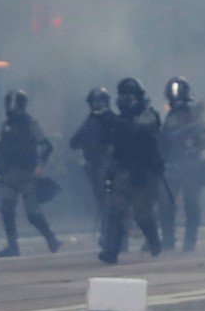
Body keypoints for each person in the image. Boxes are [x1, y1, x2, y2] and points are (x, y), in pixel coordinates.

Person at [99, 77, 164, 264]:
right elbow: (112, 146)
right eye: (122, 95)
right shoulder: (119, 120)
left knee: (141, 214)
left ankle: (153, 240)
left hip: (144, 171)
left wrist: (113, 121)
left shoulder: (149, 114)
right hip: (123, 169)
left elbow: (136, 130)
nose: (124, 99)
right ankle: (111, 252)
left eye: (128, 94)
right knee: (115, 210)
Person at [0, 89, 59, 257]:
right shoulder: (6, 125)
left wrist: (40, 165)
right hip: (9, 173)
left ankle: (51, 237)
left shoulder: (30, 124)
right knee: (6, 208)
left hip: (26, 174)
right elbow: (1, 149)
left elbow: (46, 146)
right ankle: (12, 245)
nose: (10, 107)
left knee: (32, 213)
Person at [159, 77, 205, 251]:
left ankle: (189, 241)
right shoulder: (167, 116)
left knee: (191, 203)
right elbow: (162, 141)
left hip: (190, 164)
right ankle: (168, 240)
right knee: (166, 203)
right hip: (172, 165)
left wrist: (192, 146)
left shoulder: (195, 116)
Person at [70, 87, 114, 248]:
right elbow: (74, 141)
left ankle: (111, 236)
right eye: (93, 102)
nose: (96, 105)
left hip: (109, 165)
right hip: (94, 165)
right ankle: (109, 235)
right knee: (102, 202)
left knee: (109, 203)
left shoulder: (112, 120)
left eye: (99, 101)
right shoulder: (89, 121)